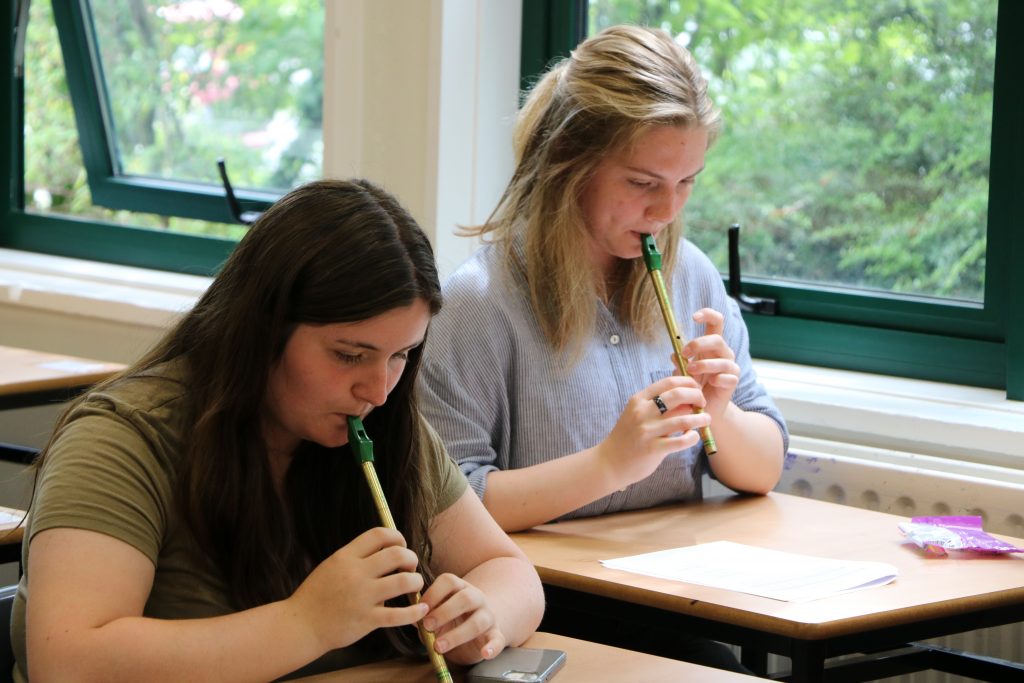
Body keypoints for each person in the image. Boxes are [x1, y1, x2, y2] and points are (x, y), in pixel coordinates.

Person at [16, 179, 544, 683]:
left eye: (401, 355)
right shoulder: (122, 440)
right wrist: (304, 623)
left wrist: (485, 615)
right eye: (349, 355)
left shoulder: (378, 423)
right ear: (262, 329)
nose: (379, 390)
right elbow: (70, 665)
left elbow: (509, 571)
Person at [419, 25, 787, 673]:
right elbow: (453, 503)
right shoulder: (477, 303)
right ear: (570, 157)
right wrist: (612, 463)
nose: (667, 209)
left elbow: (763, 467)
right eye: (644, 183)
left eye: (687, 182)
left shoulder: (690, 275)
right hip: (542, 608)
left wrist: (720, 412)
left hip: (680, 596)